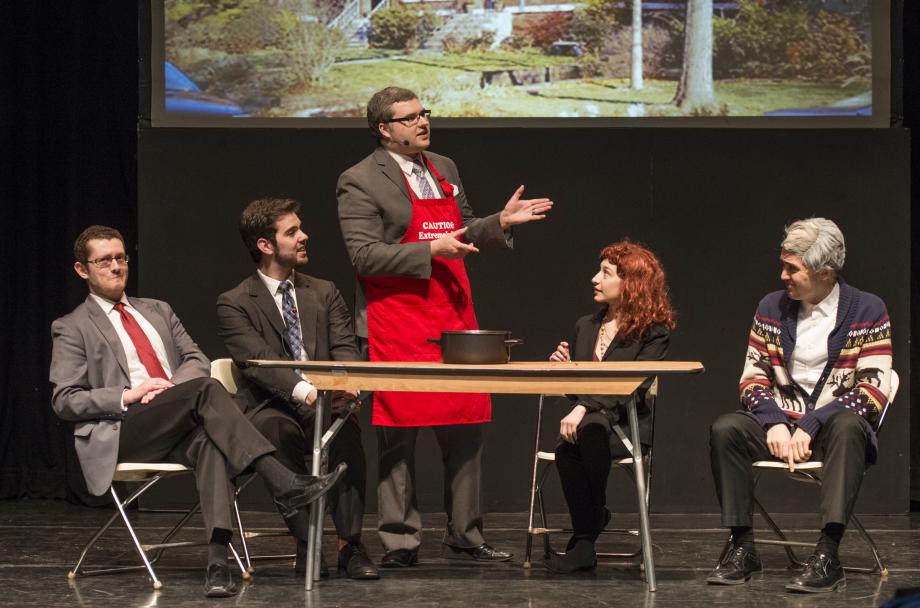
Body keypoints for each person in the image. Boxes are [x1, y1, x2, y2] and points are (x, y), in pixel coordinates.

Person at [50, 225, 346, 598]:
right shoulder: (72, 326)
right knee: (207, 390)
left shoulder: (157, 310)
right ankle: (281, 481)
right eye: (104, 260)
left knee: (211, 440)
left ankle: (218, 562)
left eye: (121, 257)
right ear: (82, 270)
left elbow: (196, 359)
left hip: (177, 415)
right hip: (126, 428)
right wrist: (129, 393)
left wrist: (174, 392)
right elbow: (66, 399)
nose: (116, 266)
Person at [336, 86, 553, 567]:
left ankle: (466, 535)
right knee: (399, 432)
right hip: (396, 317)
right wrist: (430, 251)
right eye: (409, 118)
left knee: (466, 425)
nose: (422, 123)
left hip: (451, 311)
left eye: (424, 114)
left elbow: (465, 228)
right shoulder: (358, 180)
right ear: (383, 129)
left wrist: (500, 222)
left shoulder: (444, 167)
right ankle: (400, 540)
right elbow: (363, 255)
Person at [707, 218, 893, 593]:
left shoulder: (868, 310)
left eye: (792, 268)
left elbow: (872, 390)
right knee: (725, 429)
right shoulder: (771, 308)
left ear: (825, 272)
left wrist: (810, 424)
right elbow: (752, 377)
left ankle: (828, 553)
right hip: (778, 428)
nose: (783, 275)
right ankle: (743, 547)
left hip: (832, 432)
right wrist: (775, 422)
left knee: (849, 426)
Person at [216, 198, 378, 580]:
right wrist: (307, 392)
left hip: (326, 399)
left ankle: (350, 546)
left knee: (344, 430)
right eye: (292, 232)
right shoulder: (234, 303)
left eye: (300, 228)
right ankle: (307, 544)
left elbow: (344, 349)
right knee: (277, 431)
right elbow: (258, 363)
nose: (305, 236)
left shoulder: (323, 292)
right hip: (274, 404)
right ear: (265, 245)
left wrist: (349, 386)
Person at [544, 241, 675, 573]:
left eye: (605, 273)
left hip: (626, 426)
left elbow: (630, 385)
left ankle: (584, 539)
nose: (594, 279)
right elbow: (577, 392)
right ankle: (592, 522)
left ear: (630, 282)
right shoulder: (585, 326)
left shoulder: (652, 333)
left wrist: (582, 408)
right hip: (590, 427)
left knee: (588, 430)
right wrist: (563, 369)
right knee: (567, 449)